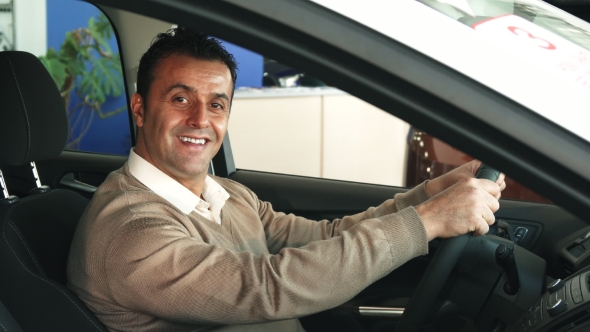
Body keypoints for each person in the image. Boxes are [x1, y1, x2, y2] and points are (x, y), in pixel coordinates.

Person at [67, 28, 505, 332]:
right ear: (141, 109)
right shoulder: (132, 232)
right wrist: (426, 222)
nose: (201, 120)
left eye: (217, 104)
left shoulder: (227, 194)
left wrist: (427, 197)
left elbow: (324, 238)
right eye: (181, 99)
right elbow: (266, 288)